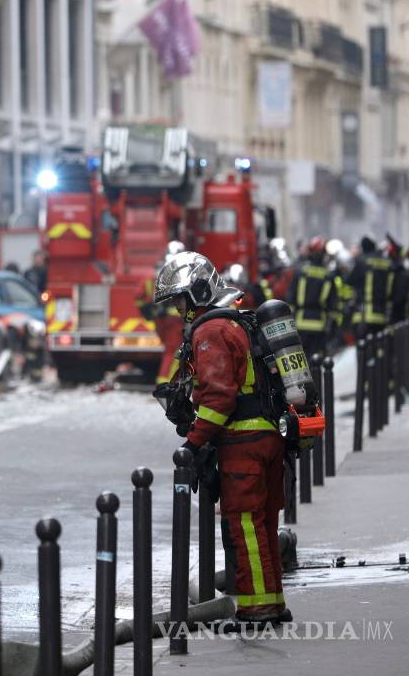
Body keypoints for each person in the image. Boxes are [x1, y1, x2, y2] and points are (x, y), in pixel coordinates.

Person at [153, 251, 290, 630]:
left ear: (197, 292)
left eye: (181, 300)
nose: (179, 310)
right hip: (268, 438)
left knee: (244, 526)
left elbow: (218, 399)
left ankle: (257, 610)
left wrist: (193, 444)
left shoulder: (210, 331)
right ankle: (274, 602)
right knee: (263, 525)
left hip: (242, 444)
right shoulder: (236, 321)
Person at [137, 241, 186, 383]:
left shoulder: (153, 275)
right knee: (174, 352)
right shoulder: (181, 272)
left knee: (172, 351)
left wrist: (148, 312)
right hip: (175, 321)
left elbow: (139, 295)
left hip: (160, 320)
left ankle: (171, 383)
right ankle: (165, 385)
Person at [287, 236, 339, 361]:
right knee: (316, 361)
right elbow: (333, 305)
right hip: (319, 325)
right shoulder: (328, 276)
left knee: (301, 359)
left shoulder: (300, 272)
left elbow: (290, 298)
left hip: (300, 324)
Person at [348, 236, 394, 334]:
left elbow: (350, 281)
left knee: (364, 345)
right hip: (382, 314)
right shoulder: (387, 262)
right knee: (379, 345)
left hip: (364, 314)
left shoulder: (362, 261)